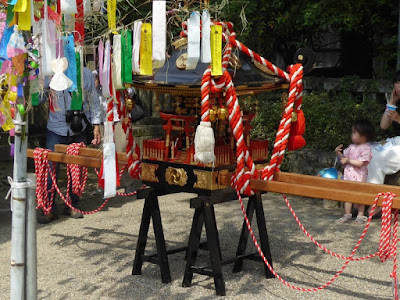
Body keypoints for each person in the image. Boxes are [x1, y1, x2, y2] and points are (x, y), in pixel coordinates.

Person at [38, 67, 102, 224]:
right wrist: (38, 83)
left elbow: (93, 99)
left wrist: (96, 124)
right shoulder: (49, 72)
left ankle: (72, 204)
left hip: (77, 127)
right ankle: (49, 208)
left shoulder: (85, 73)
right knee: (49, 169)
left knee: (77, 169)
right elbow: (39, 99)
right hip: (55, 127)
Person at [335, 120, 374, 223]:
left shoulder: (366, 148)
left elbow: (361, 163)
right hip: (348, 176)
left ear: (363, 135)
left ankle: (360, 215)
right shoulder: (351, 147)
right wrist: (338, 154)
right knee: (348, 196)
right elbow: (344, 158)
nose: (352, 135)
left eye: (354, 132)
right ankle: (347, 213)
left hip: (359, 177)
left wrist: (348, 160)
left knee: (360, 196)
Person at [367, 71, 400, 185]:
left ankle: (372, 197)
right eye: (397, 83)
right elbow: (384, 126)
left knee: (377, 159)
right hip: (397, 140)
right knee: (368, 152)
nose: (399, 86)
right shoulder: (397, 101)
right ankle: (359, 198)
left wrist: (398, 119)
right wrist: (391, 102)